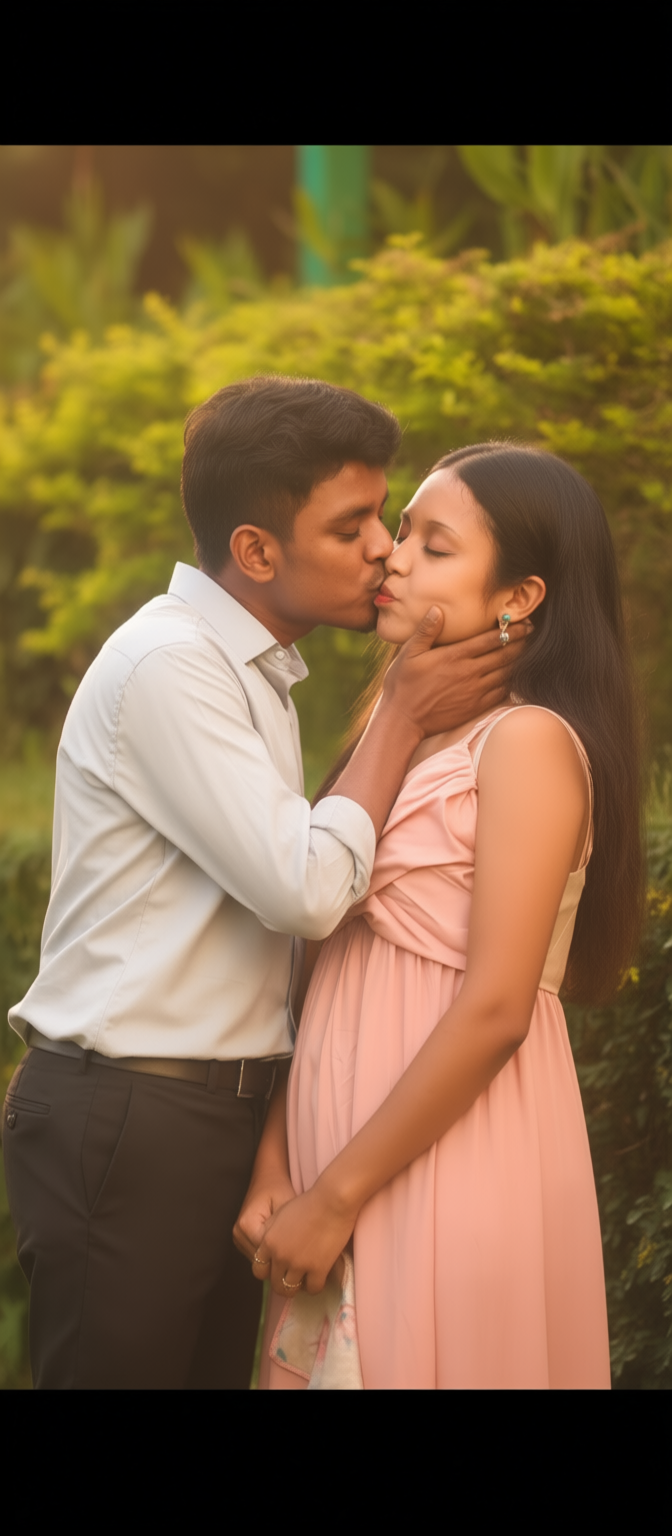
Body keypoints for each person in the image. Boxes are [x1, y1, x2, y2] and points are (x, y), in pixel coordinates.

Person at [1, 381, 525, 1390]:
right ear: (255, 552)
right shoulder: (172, 665)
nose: (383, 547)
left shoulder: (255, 670)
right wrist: (402, 717)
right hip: (131, 1113)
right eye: (354, 524)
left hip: (204, 1118)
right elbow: (306, 890)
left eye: (384, 518)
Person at [235, 442, 643, 1390]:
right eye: (402, 531)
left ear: (520, 597)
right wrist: (275, 1163)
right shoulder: (407, 736)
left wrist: (335, 1194)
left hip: (449, 1161)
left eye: (436, 544)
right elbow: (318, 965)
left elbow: (499, 1005)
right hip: (337, 1166)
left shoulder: (529, 742)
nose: (395, 557)